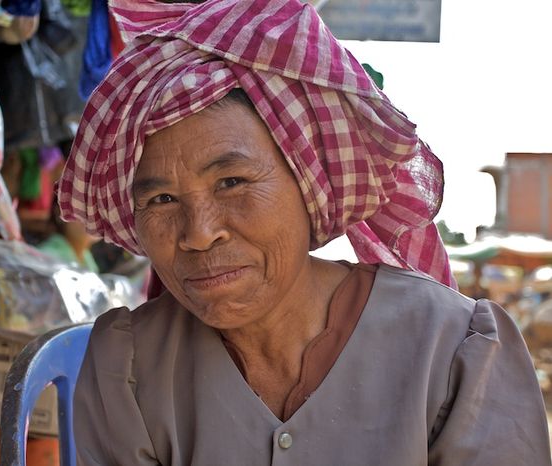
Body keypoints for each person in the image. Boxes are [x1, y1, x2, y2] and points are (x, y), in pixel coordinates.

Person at [57, 0, 551, 464]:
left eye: (232, 182)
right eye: (161, 199)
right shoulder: (126, 368)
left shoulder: (454, 352)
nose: (199, 234)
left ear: (310, 183)